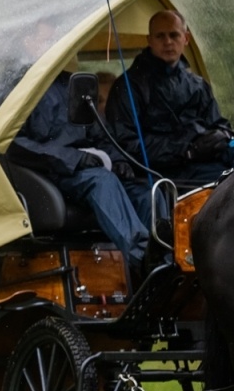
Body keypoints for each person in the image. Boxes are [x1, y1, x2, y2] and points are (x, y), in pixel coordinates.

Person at [104, 10, 234, 220]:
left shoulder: (197, 85)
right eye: (160, 36)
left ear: (185, 39)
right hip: (153, 174)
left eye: (174, 35)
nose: (168, 42)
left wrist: (220, 137)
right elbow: (126, 144)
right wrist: (186, 151)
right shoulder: (129, 87)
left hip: (199, 168)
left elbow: (219, 124)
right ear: (149, 41)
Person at [9, 72, 149, 271]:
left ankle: (167, 255)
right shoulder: (17, 87)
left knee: (146, 192)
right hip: (50, 173)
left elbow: (99, 133)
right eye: (43, 37)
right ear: (27, 42)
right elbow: (13, 143)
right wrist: (73, 158)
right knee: (102, 182)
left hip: (87, 167)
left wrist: (118, 160)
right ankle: (143, 256)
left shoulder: (74, 84)